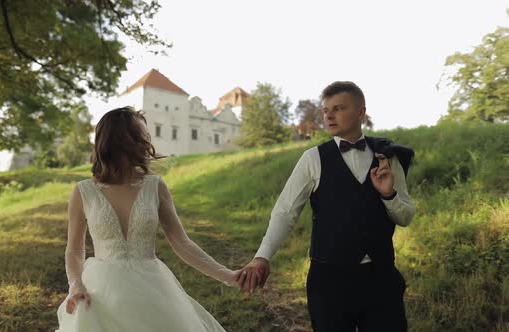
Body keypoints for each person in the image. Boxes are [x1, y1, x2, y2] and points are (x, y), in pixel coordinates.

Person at [236, 81, 416, 331]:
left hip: (381, 278)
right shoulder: (312, 158)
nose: (329, 116)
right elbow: (286, 211)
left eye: (338, 108)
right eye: (325, 110)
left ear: (361, 112)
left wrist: (389, 195)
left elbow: (406, 216)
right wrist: (262, 257)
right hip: (329, 281)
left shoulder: (387, 157)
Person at [56, 107, 240, 331]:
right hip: (101, 292)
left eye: (146, 137)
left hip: (153, 289)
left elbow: (181, 242)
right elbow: (74, 250)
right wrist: (76, 285)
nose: (146, 143)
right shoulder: (83, 191)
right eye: (140, 136)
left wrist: (228, 276)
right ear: (118, 139)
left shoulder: (155, 186)